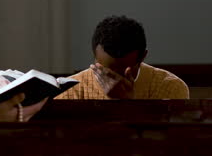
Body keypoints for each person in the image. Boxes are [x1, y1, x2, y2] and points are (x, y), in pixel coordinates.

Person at [55, 15, 189, 100]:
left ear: (143, 57)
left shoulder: (171, 87)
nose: (115, 81)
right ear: (95, 58)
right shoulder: (71, 90)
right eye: (106, 71)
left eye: (124, 72)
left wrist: (127, 102)